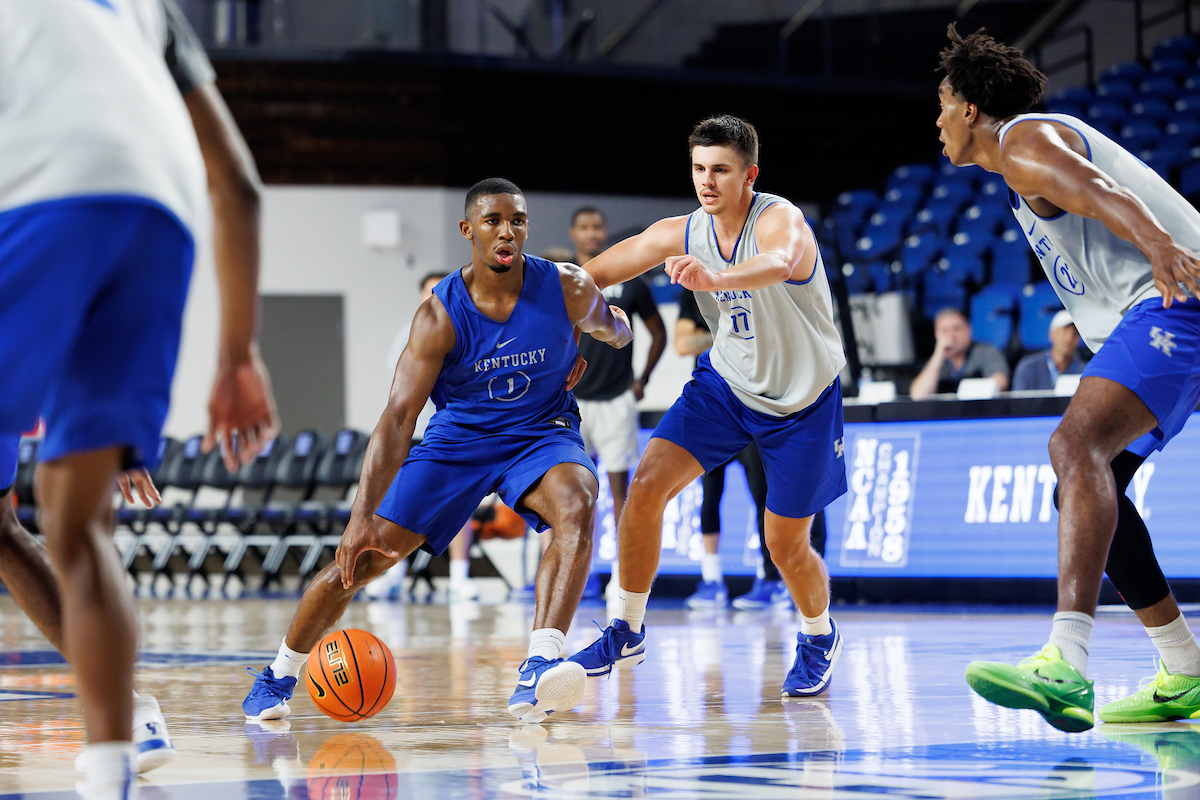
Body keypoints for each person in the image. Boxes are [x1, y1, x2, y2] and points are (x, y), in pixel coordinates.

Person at [0, 2, 278, 797]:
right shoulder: (146, 7)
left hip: (33, 202)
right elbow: (240, 186)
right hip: (162, 216)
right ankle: (114, 762)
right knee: (72, 522)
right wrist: (237, 354)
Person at [240, 178, 633, 724]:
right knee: (359, 561)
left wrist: (606, 335)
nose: (507, 231)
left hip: (541, 430)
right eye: (493, 220)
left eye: (517, 220)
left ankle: (541, 661)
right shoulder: (439, 316)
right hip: (460, 441)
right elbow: (398, 421)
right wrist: (359, 519)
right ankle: (279, 674)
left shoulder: (566, 285)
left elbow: (612, 327)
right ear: (468, 229)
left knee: (579, 500)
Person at [935, 25, 1200, 732]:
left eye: (941, 105)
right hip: (1169, 307)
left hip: (1176, 300)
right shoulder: (1025, 159)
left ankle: (1066, 663)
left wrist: (1159, 245)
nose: (936, 123)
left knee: (1074, 447)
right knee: (1085, 481)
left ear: (968, 109)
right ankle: (1185, 669)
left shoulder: (1023, 140)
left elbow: (1096, 188)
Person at [568, 116, 849, 698]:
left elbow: (776, 264)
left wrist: (715, 279)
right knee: (644, 486)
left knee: (785, 545)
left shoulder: (781, 220)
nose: (707, 181)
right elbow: (602, 269)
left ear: (750, 174)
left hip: (802, 402)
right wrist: (537, 301)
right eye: (699, 168)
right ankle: (627, 625)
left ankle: (819, 634)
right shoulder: (685, 229)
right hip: (725, 387)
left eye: (720, 169)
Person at [569, 207, 667, 599]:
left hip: (616, 399)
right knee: (570, 491)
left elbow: (658, 333)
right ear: (573, 233)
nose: (592, 233)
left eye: (597, 226)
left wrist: (643, 379)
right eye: (584, 227)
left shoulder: (631, 282)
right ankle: (579, 574)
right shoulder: (564, 281)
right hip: (571, 401)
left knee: (619, 491)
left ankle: (620, 576)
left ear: (605, 231)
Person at [675, 289, 790, 610]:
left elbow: (763, 339)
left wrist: (709, 337)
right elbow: (681, 343)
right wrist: (729, 336)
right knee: (709, 494)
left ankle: (772, 580)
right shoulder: (693, 287)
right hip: (711, 405)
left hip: (752, 404)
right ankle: (712, 581)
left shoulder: (747, 280)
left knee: (763, 495)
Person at [369, 271, 478, 603]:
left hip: (456, 433)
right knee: (401, 504)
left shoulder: (471, 328)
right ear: (420, 297)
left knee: (461, 505)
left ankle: (460, 579)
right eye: (430, 291)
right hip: (414, 432)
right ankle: (392, 575)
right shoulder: (409, 334)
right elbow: (400, 396)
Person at [910, 308, 1010, 399]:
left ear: (968, 330)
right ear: (936, 334)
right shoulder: (936, 361)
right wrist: (938, 356)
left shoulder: (986, 352)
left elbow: (1000, 382)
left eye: (956, 329)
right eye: (944, 331)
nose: (951, 335)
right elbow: (918, 395)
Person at [1011, 310, 1086, 391]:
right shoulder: (1028, 367)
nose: (1069, 338)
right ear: (1052, 334)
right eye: (1065, 331)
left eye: (1075, 334)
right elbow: (1019, 401)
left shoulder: (1085, 371)